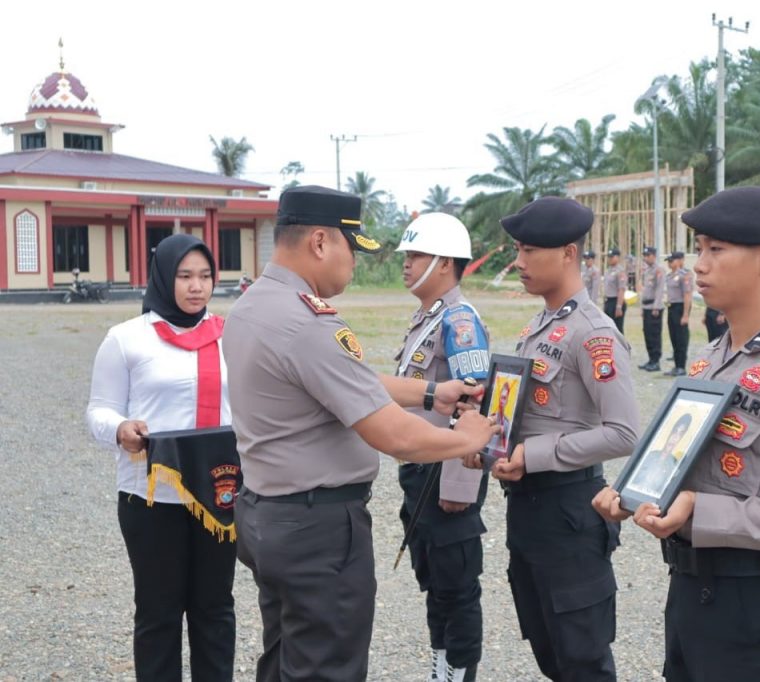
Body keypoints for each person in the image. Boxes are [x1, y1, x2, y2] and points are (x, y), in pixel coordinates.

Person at [222, 186, 497, 682]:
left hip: (268, 514)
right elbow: (396, 438)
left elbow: (344, 382)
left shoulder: (253, 306)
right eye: (353, 249)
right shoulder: (307, 322)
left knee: (285, 658)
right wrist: (469, 438)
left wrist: (431, 394)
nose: (354, 263)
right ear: (322, 242)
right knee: (328, 668)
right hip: (317, 533)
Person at [593, 185, 760, 681]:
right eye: (699, 249)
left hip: (754, 619)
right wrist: (634, 494)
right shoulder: (711, 360)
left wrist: (703, 512)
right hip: (692, 600)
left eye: (716, 249)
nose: (699, 264)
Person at [467, 196, 640, 681]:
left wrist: (533, 453)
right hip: (530, 510)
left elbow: (623, 432)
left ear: (567, 253)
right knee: (550, 650)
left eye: (528, 250)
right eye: (517, 249)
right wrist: (488, 441)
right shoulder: (538, 327)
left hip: (569, 513)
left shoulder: (592, 333)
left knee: (582, 658)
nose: (518, 262)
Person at [86, 233, 236, 681]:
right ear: (162, 277)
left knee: (215, 609)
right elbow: (98, 409)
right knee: (158, 614)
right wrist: (119, 429)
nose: (197, 286)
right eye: (184, 276)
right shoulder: (128, 339)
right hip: (149, 498)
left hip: (218, 495)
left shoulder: (231, 336)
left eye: (205, 276)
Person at [393, 212, 491, 682]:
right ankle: (441, 666)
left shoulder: (460, 321)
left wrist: (460, 482)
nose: (406, 265)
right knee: (433, 582)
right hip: (419, 472)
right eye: (407, 256)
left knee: (457, 587)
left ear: (446, 263)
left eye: (415, 256)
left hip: (445, 477)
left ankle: (460, 671)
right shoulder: (428, 319)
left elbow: (474, 406)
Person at [626, 412, 693, 497]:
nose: (675, 437)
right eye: (675, 431)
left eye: (680, 434)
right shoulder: (650, 454)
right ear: (670, 432)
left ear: (683, 438)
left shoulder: (674, 467)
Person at [663, 251, 693, 377]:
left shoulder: (685, 275)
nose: (670, 263)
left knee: (681, 338)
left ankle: (681, 366)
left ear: (681, 260)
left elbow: (687, 295)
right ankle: (676, 365)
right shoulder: (670, 276)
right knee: (674, 338)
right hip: (671, 308)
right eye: (669, 261)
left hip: (680, 308)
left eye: (672, 260)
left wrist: (686, 314)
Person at [639, 245, 667, 371]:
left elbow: (659, 289)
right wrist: (641, 307)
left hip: (654, 308)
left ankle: (656, 361)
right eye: (644, 256)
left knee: (654, 334)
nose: (645, 258)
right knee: (647, 334)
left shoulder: (658, 270)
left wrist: (656, 306)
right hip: (646, 306)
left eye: (647, 255)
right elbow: (645, 290)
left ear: (654, 256)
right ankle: (650, 359)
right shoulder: (647, 270)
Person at [602, 247, 627, 332]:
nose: (610, 259)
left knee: (617, 329)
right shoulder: (608, 270)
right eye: (609, 257)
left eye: (612, 257)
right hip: (608, 301)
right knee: (609, 329)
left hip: (616, 301)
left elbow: (621, 289)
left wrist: (619, 306)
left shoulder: (620, 271)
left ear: (617, 257)